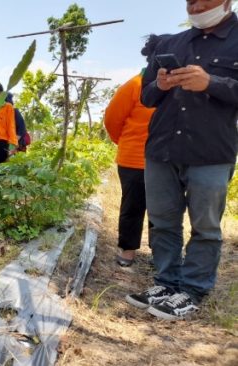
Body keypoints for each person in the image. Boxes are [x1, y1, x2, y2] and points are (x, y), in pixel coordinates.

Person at [126, 0, 237, 321]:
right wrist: (159, 84)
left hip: (211, 151)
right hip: (162, 147)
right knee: (162, 220)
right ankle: (165, 282)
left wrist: (212, 83)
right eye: (191, 0)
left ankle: (192, 289)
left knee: (205, 226)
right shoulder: (171, 43)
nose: (197, 5)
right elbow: (146, 96)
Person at [104, 34, 167, 267]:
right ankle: (128, 250)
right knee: (133, 205)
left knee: (163, 209)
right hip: (133, 159)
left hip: (167, 160)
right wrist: (126, 143)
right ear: (152, 58)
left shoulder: (179, 88)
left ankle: (160, 254)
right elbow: (112, 120)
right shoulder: (133, 86)